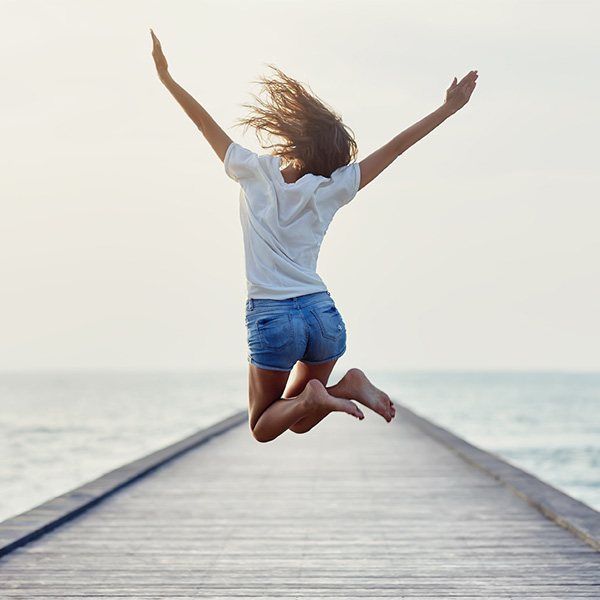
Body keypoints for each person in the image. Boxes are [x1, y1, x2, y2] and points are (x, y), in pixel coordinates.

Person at [150, 29, 478, 443]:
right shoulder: (332, 189)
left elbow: (202, 123)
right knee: (300, 415)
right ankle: (345, 387)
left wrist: (168, 79)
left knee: (263, 426)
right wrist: (447, 109)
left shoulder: (253, 170)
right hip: (322, 316)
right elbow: (395, 148)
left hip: (273, 316)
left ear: (296, 139)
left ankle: (325, 396)